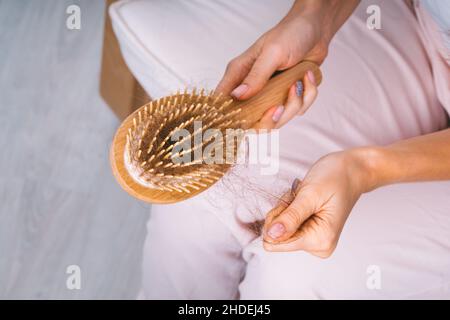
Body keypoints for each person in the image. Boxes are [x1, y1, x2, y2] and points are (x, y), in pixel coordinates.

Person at [139, 0, 450, 299]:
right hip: (420, 24)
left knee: (291, 277)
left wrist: (365, 168)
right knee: (201, 190)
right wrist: (313, 15)